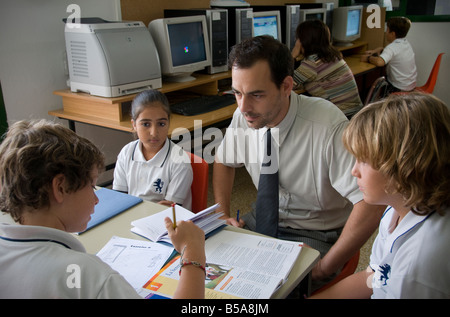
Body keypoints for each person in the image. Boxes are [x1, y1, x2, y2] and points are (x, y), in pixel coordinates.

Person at [213, 35, 384, 288]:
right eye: (237, 93)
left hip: (314, 232)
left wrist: (327, 267)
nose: (243, 106)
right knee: (206, 269)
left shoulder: (327, 126)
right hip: (260, 221)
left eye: (256, 95)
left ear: (286, 86)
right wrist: (221, 214)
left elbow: (370, 204)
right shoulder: (245, 115)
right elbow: (224, 162)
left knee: (264, 289)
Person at [0, 119, 206, 298]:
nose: (97, 200)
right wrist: (194, 253)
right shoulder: (91, 276)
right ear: (60, 187)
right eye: (91, 185)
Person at [312, 92, 450, 298]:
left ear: (406, 166)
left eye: (363, 161)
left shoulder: (418, 262)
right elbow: (376, 276)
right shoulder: (398, 207)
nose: (354, 171)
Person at [113, 89, 193, 210]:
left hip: (166, 222)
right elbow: (119, 197)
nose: (154, 132)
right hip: (131, 217)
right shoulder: (127, 152)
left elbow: (168, 209)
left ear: (169, 123)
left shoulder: (179, 161)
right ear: (134, 124)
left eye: (161, 124)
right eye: (146, 124)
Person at [291, 20, 363, 117]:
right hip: (355, 114)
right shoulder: (333, 55)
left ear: (303, 41)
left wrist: (292, 55)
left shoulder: (312, 63)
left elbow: (289, 84)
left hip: (342, 118)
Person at [361, 16, 417, 93]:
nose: (386, 33)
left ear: (393, 34)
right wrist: (381, 49)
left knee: (371, 86)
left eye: (387, 30)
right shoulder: (405, 43)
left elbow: (379, 62)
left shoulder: (391, 47)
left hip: (398, 88)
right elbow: (396, 53)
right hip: (410, 86)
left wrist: (368, 58)